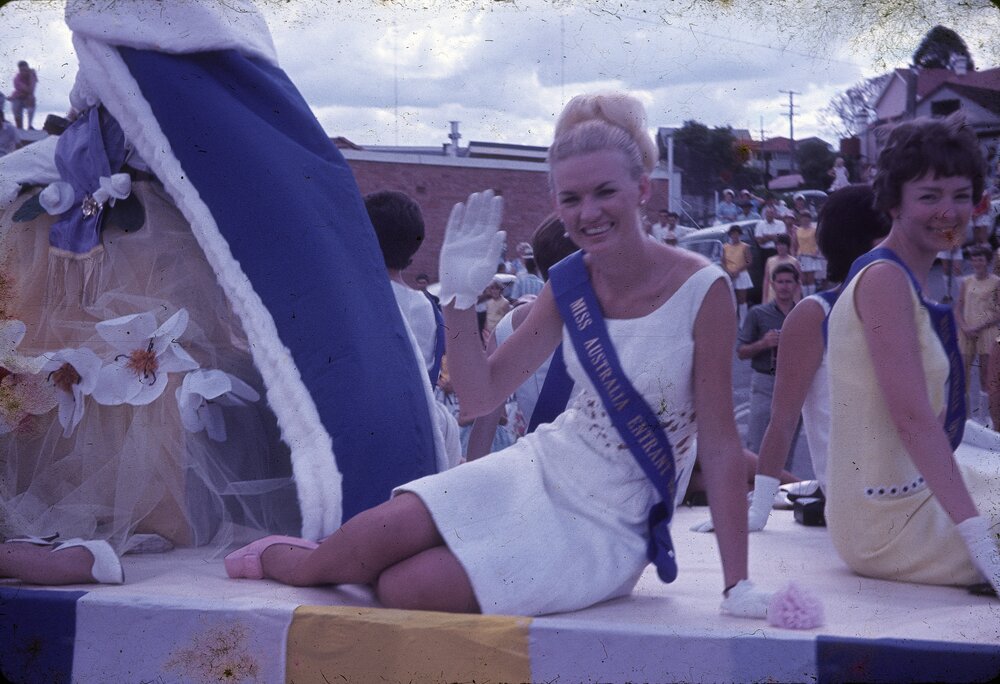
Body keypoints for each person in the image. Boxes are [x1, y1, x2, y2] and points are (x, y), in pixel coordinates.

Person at [225, 93, 768, 619]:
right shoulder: (569, 284)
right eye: (571, 199)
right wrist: (460, 303)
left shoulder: (704, 289)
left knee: (405, 586)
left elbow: (720, 447)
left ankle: (323, 563)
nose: (589, 213)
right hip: (548, 463)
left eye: (605, 192)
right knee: (367, 541)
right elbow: (480, 395)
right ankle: (292, 561)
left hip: (615, 519)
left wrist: (736, 584)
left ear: (642, 189)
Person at [826, 114, 1000, 596]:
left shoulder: (895, 274)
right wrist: (983, 546)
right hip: (888, 524)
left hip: (906, 499)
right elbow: (913, 420)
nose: (948, 212)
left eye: (961, 196)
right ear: (893, 204)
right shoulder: (884, 281)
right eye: (929, 196)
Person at [736, 184, 891, 531]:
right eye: (889, 235)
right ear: (865, 242)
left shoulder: (904, 305)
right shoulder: (815, 314)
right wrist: (757, 514)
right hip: (866, 500)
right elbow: (782, 421)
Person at [738, 263, 801, 461]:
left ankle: (781, 490)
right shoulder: (758, 313)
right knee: (757, 443)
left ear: (796, 285)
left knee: (786, 445)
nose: (784, 286)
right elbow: (741, 352)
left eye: (788, 282)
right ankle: (756, 491)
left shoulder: (804, 312)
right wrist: (763, 343)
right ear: (772, 284)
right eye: (780, 282)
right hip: (765, 382)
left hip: (793, 384)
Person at [955, 246, 1000, 419]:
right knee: (963, 374)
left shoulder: (996, 282)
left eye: (981, 259)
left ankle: (984, 416)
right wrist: (965, 327)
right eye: (974, 259)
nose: (977, 263)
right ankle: (966, 417)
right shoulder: (966, 281)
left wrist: (978, 327)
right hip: (966, 332)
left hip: (986, 331)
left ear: (987, 261)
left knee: (985, 376)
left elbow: (998, 312)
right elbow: (958, 308)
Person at [722, 224, 752, 325]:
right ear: (730, 235)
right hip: (729, 275)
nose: (735, 236)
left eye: (737, 234)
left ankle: (743, 322)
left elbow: (749, 261)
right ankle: (732, 322)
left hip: (741, 275)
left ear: (740, 235)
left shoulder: (745, 246)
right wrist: (728, 271)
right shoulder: (725, 247)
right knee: (730, 299)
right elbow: (722, 262)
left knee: (742, 300)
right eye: (733, 234)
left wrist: (738, 270)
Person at [761, 234, 801, 303]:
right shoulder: (770, 261)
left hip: (789, 298)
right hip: (772, 297)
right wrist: (764, 299)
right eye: (778, 245)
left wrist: (797, 301)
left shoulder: (794, 262)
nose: (780, 247)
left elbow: (798, 283)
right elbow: (766, 281)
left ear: (787, 246)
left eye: (783, 245)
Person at [794, 211, 824, 296]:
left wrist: (816, 252)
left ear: (810, 219)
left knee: (810, 279)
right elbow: (795, 244)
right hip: (801, 258)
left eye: (807, 218)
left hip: (811, 257)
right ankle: (804, 298)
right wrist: (795, 254)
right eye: (803, 218)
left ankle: (811, 296)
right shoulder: (797, 230)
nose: (805, 220)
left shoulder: (814, 230)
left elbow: (819, 242)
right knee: (803, 279)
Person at [8, 60, 37, 130]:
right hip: (17, 98)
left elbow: (31, 90)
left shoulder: (32, 75)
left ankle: (30, 126)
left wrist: (31, 76)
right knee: (16, 108)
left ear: (28, 68)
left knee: (31, 99)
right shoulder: (16, 79)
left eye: (25, 69)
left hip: (27, 98)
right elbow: (27, 89)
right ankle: (19, 128)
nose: (24, 72)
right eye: (21, 70)